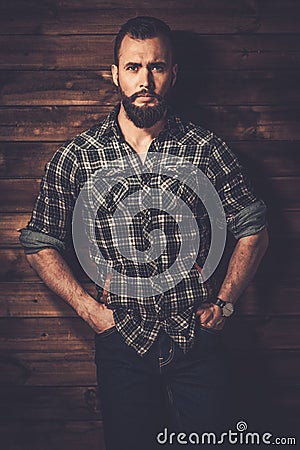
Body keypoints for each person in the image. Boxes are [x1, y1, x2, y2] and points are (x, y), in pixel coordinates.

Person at [20, 16, 269, 450]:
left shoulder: (205, 150)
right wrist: (88, 311)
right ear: (114, 74)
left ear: (174, 73)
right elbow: (40, 242)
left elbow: (254, 230)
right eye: (133, 67)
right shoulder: (79, 157)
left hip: (196, 336)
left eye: (157, 66)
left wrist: (225, 305)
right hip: (121, 341)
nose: (145, 79)